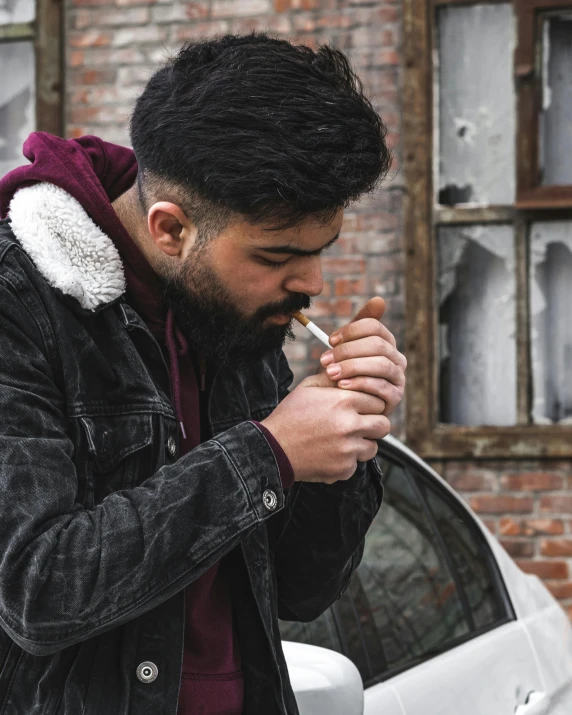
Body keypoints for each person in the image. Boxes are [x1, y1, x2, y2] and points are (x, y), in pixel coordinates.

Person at [0, 33, 406, 715]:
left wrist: (346, 443)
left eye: (321, 250)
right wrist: (267, 453)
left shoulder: (228, 311)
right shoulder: (21, 302)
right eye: (279, 254)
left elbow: (305, 589)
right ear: (171, 230)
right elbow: (37, 587)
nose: (309, 282)